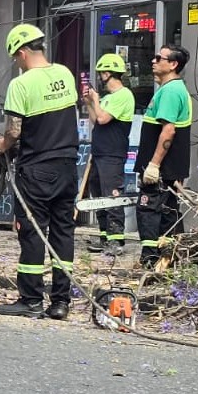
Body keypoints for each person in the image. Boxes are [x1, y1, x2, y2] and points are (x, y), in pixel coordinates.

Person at [0, 24, 79, 320]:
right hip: (68, 165)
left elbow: (14, 131)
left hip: (36, 169)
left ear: (22, 52)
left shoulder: (21, 84)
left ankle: (30, 300)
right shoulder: (65, 74)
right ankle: (60, 302)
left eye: (16, 58)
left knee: (31, 232)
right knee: (63, 232)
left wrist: (1, 145)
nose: (17, 63)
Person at [134, 44, 193, 268]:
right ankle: (170, 257)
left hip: (161, 169)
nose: (153, 60)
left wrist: (153, 165)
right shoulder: (173, 89)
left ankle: (151, 259)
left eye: (159, 57)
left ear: (173, 64)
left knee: (149, 210)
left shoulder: (170, 91)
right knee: (168, 212)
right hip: (170, 168)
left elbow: (168, 131)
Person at [80, 52, 135, 255]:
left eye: (102, 72)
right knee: (99, 196)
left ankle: (116, 240)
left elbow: (103, 118)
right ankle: (104, 235)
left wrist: (95, 100)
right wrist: (89, 103)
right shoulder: (110, 98)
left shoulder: (123, 95)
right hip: (100, 152)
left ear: (108, 73)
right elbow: (96, 119)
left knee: (112, 196)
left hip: (113, 153)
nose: (100, 76)